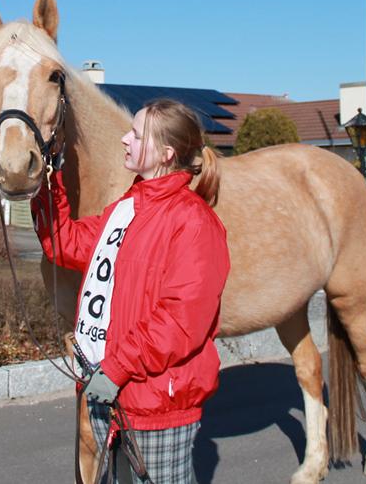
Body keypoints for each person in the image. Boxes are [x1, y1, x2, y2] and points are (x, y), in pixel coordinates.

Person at [31, 98, 230, 484]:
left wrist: (116, 368)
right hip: (108, 388)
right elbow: (66, 244)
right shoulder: (128, 207)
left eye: (136, 135)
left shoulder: (192, 221)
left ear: (165, 153)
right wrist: (45, 183)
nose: (124, 139)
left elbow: (180, 322)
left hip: (154, 403)